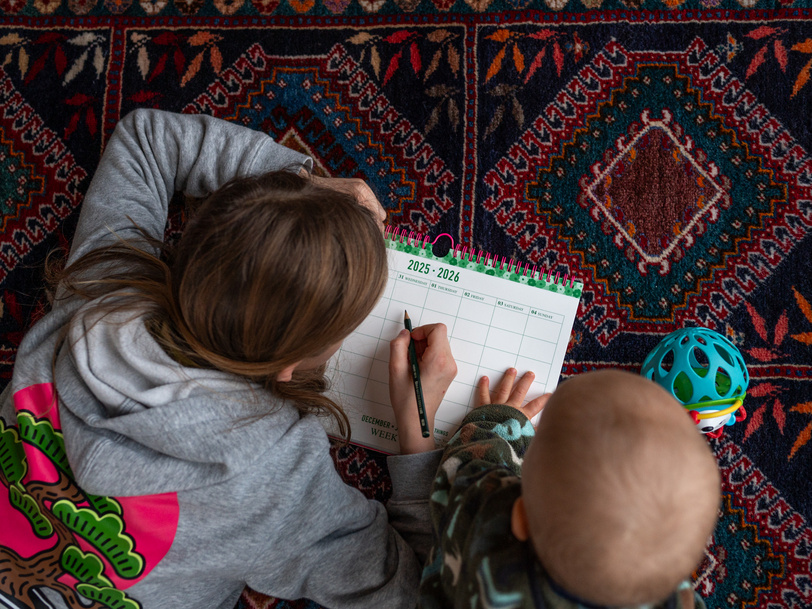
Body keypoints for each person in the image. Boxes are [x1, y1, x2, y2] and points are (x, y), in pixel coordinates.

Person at [0, 109, 457, 609]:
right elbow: (418, 594)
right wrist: (418, 433)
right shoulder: (279, 488)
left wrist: (299, 185)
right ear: (290, 368)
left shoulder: (102, 289)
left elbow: (147, 138)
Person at [416, 367, 721, 609]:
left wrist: (501, 420)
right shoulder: (675, 599)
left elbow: (460, 470)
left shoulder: (487, 524)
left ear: (520, 517)